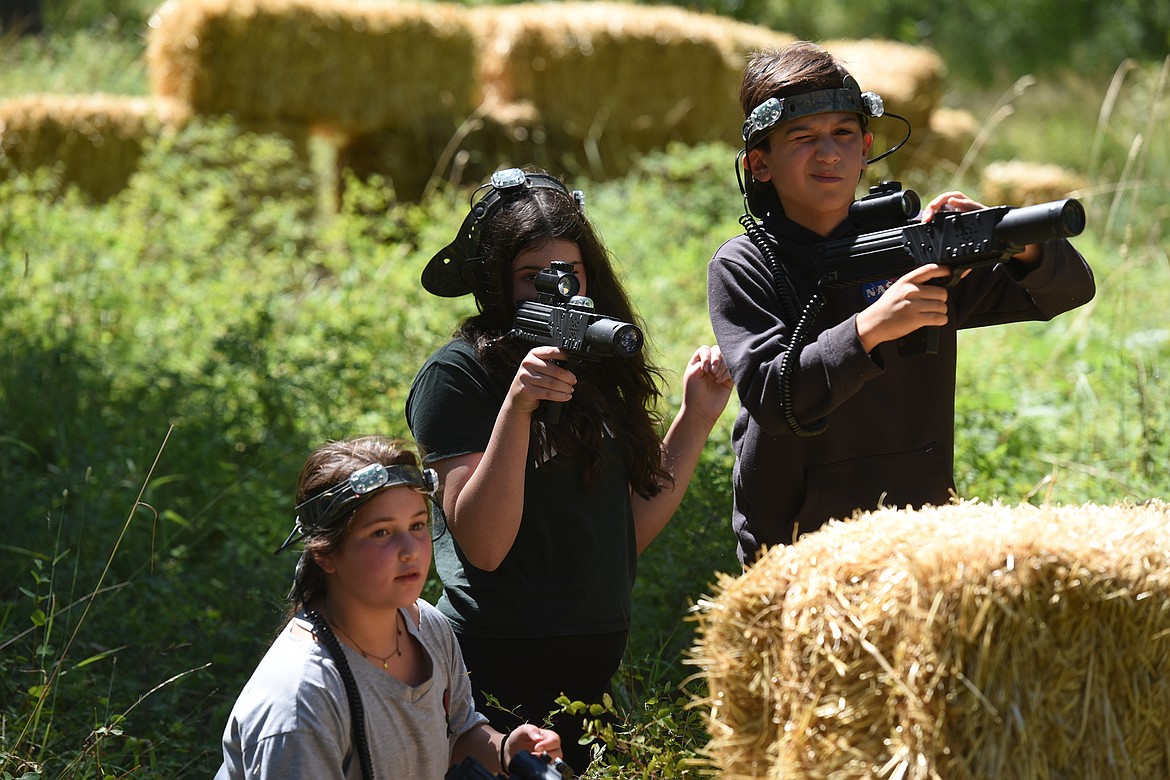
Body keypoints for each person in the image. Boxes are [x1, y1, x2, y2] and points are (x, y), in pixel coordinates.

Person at [707, 41, 1096, 567]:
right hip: (795, 544)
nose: (828, 153)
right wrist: (871, 328)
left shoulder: (911, 249)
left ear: (867, 147)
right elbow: (775, 402)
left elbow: (1068, 291)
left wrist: (1012, 243)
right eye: (803, 138)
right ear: (759, 164)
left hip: (917, 529)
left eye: (843, 134)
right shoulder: (745, 265)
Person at [405, 167, 733, 769]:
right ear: (495, 284)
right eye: (532, 279)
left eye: (569, 275)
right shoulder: (459, 378)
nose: (556, 294)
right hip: (496, 669)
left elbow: (621, 536)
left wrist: (697, 418)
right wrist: (519, 405)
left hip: (592, 667)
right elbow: (484, 544)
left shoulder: (598, 366)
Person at [215, 434, 562, 779]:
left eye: (417, 525)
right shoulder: (301, 702)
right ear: (325, 554)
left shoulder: (429, 627)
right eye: (381, 532)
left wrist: (504, 750)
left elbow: (457, 737)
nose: (409, 549)